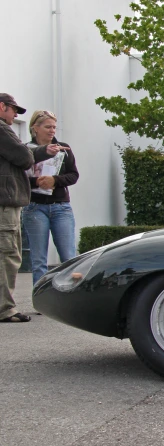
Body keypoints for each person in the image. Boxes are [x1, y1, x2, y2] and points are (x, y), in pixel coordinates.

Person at [0, 93, 54, 323]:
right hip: (5, 204)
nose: (14, 115)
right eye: (13, 110)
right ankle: (5, 309)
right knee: (7, 255)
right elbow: (23, 157)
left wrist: (42, 152)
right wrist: (34, 154)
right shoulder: (2, 129)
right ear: (2, 106)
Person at [21, 110, 79, 285]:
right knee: (39, 259)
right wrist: (36, 181)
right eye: (48, 127)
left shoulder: (64, 148)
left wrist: (55, 179)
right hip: (35, 207)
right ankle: (41, 298)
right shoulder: (25, 151)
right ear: (35, 128)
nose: (52, 130)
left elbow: (74, 175)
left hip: (61, 207)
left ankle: (70, 295)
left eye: (54, 127)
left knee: (68, 256)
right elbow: (19, 179)